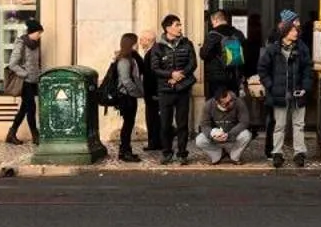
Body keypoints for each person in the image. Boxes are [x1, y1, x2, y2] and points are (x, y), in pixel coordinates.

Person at [256, 17, 313, 168]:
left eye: (296, 30)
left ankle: (299, 153)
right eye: (293, 30)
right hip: (279, 93)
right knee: (279, 125)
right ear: (284, 33)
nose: (296, 33)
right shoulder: (273, 50)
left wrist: (305, 87)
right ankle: (277, 153)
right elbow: (262, 69)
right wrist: (271, 86)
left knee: (299, 124)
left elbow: (308, 69)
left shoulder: (302, 48)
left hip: (298, 92)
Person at [147, 14, 198, 164]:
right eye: (177, 25)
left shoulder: (187, 43)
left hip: (183, 89)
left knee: (182, 124)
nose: (180, 27)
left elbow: (192, 63)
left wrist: (180, 75)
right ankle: (167, 152)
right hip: (165, 90)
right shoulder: (158, 47)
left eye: (180, 25)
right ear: (168, 28)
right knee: (165, 124)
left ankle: (182, 153)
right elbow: (155, 68)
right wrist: (170, 74)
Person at [104, 32, 146, 162]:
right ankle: (125, 152)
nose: (138, 45)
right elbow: (126, 81)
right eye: (135, 42)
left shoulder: (129, 58)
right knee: (128, 125)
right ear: (131, 44)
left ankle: (125, 150)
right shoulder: (124, 60)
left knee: (128, 124)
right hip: (126, 97)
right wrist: (136, 93)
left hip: (129, 96)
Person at [3, 19, 43, 145]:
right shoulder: (21, 43)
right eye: (38, 33)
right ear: (32, 32)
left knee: (25, 108)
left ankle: (12, 133)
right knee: (30, 107)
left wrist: (39, 74)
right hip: (24, 82)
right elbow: (12, 64)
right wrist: (25, 74)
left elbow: (36, 63)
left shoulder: (36, 44)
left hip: (33, 81)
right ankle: (35, 135)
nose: (40, 35)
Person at [194, 85, 252, 164]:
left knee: (246, 135)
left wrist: (230, 134)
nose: (231, 103)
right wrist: (213, 135)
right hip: (217, 134)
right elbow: (204, 124)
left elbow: (244, 122)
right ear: (217, 102)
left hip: (233, 133)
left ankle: (234, 156)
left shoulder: (238, 102)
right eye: (227, 103)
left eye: (231, 100)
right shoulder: (209, 105)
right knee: (199, 140)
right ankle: (218, 154)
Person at [201, 9, 247, 101]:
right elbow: (246, 54)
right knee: (233, 105)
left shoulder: (213, 35)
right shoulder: (238, 33)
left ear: (216, 20)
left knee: (218, 106)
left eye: (212, 22)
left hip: (218, 79)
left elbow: (204, 54)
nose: (212, 24)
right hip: (235, 77)